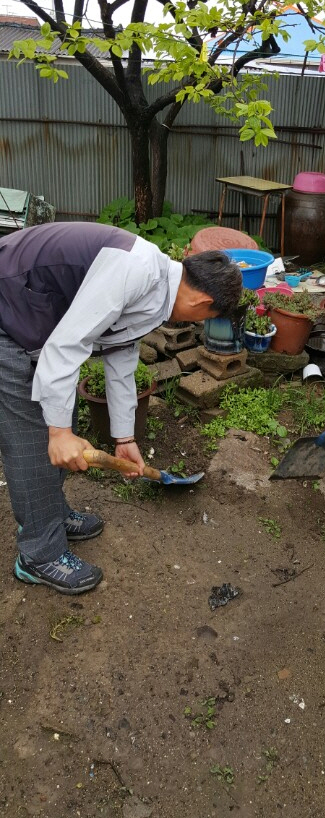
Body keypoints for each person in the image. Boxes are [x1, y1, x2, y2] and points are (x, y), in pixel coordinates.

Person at [0, 222, 242, 595]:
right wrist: (58, 433)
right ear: (204, 304)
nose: (200, 324)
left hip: (34, 315)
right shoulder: (137, 270)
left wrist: (124, 435)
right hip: (7, 311)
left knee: (63, 405)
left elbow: (121, 353)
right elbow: (66, 347)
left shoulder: (159, 287)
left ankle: (52, 514)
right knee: (34, 439)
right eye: (207, 319)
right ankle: (38, 553)